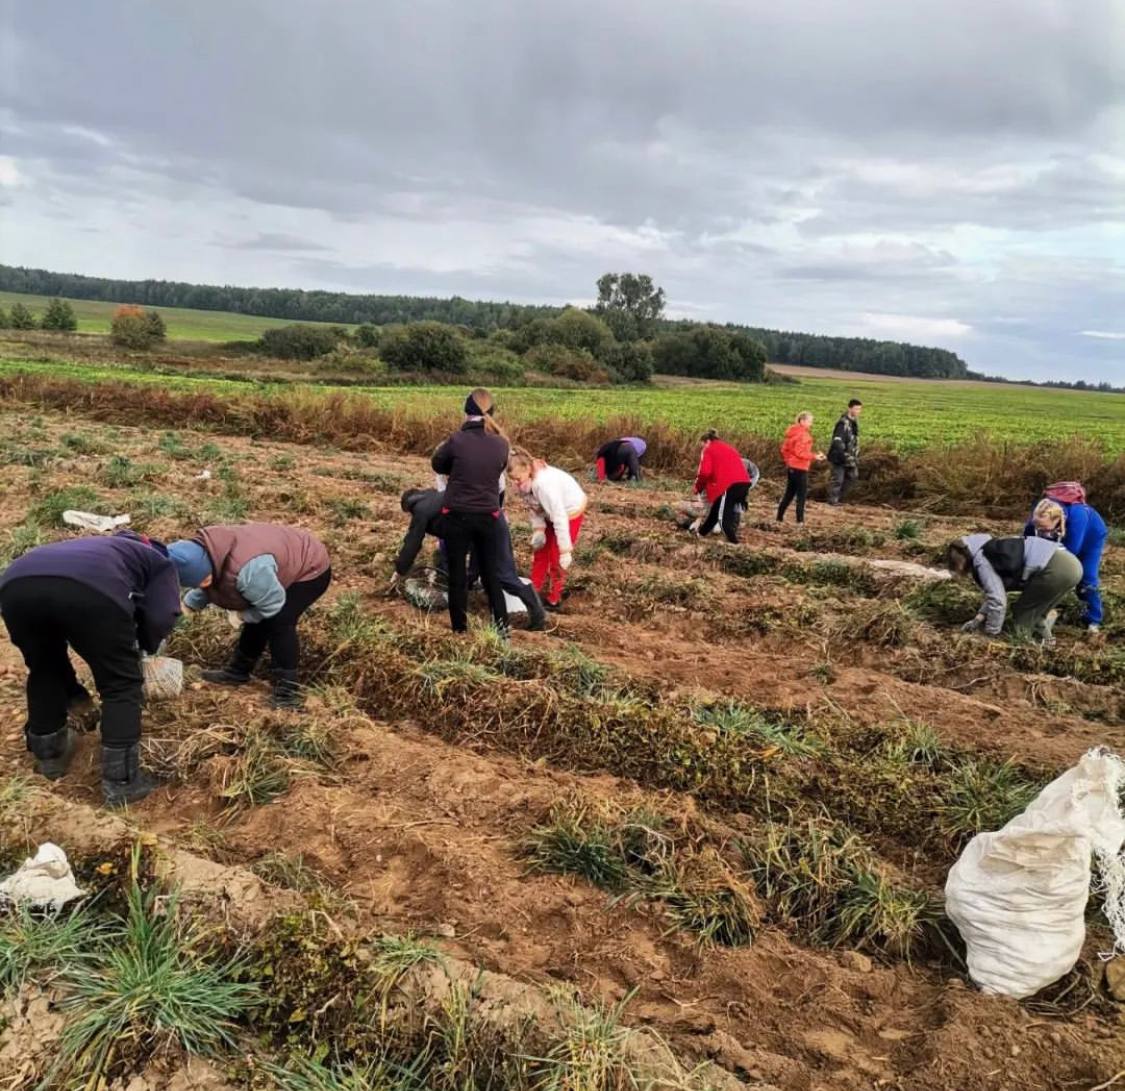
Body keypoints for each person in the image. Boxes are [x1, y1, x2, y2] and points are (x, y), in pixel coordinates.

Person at [0, 530, 181, 806]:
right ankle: (122, 784)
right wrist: (144, 648)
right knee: (120, 684)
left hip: (16, 586)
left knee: (45, 667)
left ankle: (50, 755)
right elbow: (162, 614)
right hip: (89, 591)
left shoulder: (93, 547)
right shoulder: (158, 560)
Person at [168, 523, 331, 709]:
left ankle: (288, 692)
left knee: (279, 621)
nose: (204, 583)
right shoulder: (209, 555)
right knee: (256, 608)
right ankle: (237, 672)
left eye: (204, 579)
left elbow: (272, 604)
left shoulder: (249, 571)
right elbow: (207, 584)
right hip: (270, 563)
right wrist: (188, 605)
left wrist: (242, 616)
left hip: (309, 567)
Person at [394, 486, 547, 630]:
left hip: (489, 526)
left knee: (503, 576)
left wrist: (400, 569)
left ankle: (537, 613)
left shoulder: (421, 510)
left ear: (408, 507)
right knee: (461, 566)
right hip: (485, 522)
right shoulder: (435, 499)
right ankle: (467, 595)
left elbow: (412, 542)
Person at [431, 389, 511, 635]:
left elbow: (438, 464)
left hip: (457, 515)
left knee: (457, 575)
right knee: (490, 575)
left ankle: (460, 630)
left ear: (466, 413)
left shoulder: (455, 441)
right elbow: (498, 476)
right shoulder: (501, 444)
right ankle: (502, 628)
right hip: (488, 516)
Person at [946, 533, 1082, 644]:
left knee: (1022, 615)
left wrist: (990, 635)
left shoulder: (982, 560)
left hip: (1055, 569)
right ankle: (1048, 645)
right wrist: (979, 618)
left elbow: (998, 601)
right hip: (1072, 565)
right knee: (1037, 615)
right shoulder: (994, 547)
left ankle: (1025, 650)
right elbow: (997, 591)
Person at [508, 449, 588, 612]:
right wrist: (539, 530)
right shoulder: (525, 483)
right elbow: (534, 507)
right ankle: (534, 591)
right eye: (513, 480)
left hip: (568, 511)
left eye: (518, 479)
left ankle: (554, 598)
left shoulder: (544, 486)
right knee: (540, 551)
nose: (516, 483)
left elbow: (559, 517)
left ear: (527, 469)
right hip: (548, 511)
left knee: (556, 555)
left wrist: (565, 549)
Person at [1025, 488, 1108, 635]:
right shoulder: (1039, 513)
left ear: (1058, 521)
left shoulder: (1078, 516)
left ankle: (1093, 621)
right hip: (1061, 530)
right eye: (1037, 526)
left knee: (1086, 577)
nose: (1039, 530)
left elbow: (1071, 553)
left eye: (1043, 528)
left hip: (1092, 535)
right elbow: (1027, 539)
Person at [692, 429, 751, 543]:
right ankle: (700, 534)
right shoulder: (728, 448)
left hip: (729, 486)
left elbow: (704, 472)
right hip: (743, 483)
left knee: (722, 519)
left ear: (707, 441)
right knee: (715, 511)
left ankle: (735, 544)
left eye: (702, 445)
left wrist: (698, 487)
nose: (702, 447)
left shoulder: (709, 449)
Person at [777, 411, 826, 524]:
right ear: (802, 421)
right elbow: (800, 452)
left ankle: (779, 517)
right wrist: (815, 456)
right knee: (801, 496)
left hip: (792, 467)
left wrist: (789, 461)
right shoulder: (803, 435)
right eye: (809, 421)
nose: (811, 424)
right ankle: (800, 521)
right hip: (800, 468)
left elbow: (784, 449)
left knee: (789, 494)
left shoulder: (792, 433)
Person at [827, 399, 863, 505]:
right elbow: (837, 440)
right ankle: (833, 500)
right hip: (840, 456)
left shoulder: (853, 423)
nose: (858, 411)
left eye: (860, 409)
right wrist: (842, 455)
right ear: (850, 408)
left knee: (852, 477)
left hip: (850, 457)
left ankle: (841, 498)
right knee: (838, 479)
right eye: (856, 409)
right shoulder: (842, 423)